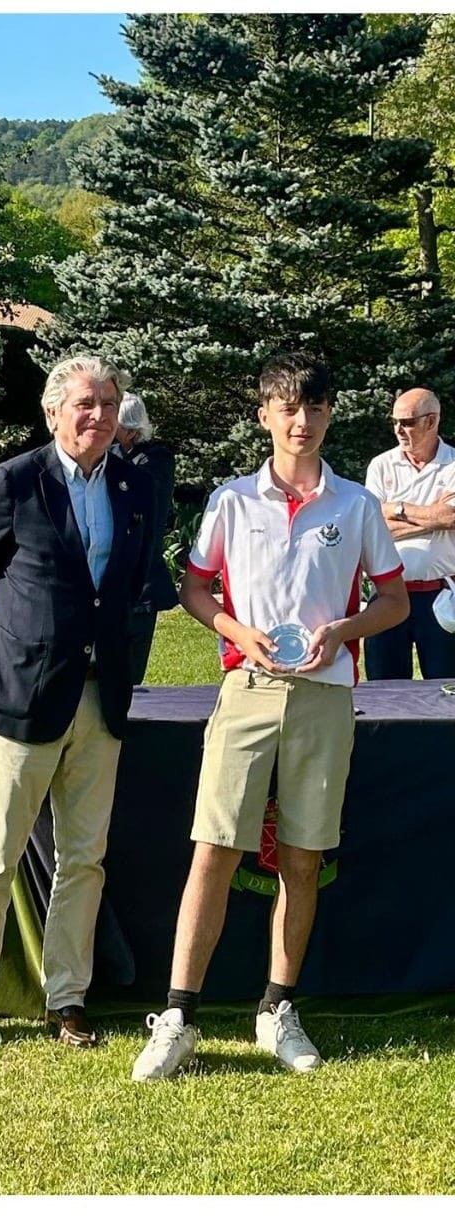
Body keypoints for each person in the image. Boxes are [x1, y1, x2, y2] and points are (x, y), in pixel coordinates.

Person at [132, 353, 407, 1081]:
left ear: (328, 414)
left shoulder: (356, 504)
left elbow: (394, 602)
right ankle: (178, 1017)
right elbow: (194, 589)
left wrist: (341, 633)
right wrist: (236, 631)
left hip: (324, 697)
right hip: (247, 689)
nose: (301, 421)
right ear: (264, 415)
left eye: (314, 408)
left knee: (303, 857)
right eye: (287, 407)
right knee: (214, 849)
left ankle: (277, 1009)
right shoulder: (230, 500)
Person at [0, 354, 154, 1052]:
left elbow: (138, 586)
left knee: (84, 858)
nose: (98, 416)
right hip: (24, 700)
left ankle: (68, 999)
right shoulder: (14, 481)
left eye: (109, 404)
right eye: (85, 403)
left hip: (100, 701)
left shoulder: (131, 482)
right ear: (53, 410)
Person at [362, 387, 455, 680]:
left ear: (432, 421)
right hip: (388, 593)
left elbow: (451, 516)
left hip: (441, 595)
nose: (399, 430)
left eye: (408, 422)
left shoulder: (453, 464)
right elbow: (371, 528)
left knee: (447, 689)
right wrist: (433, 517)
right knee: (384, 689)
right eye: (395, 422)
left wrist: (394, 508)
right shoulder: (381, 465)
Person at [115, 393, 179, 684]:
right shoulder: (114, 456)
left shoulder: (156, 461)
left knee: (129, 675)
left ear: (129, 429)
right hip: (110, 583)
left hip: (142, 586)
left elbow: (134, 492)